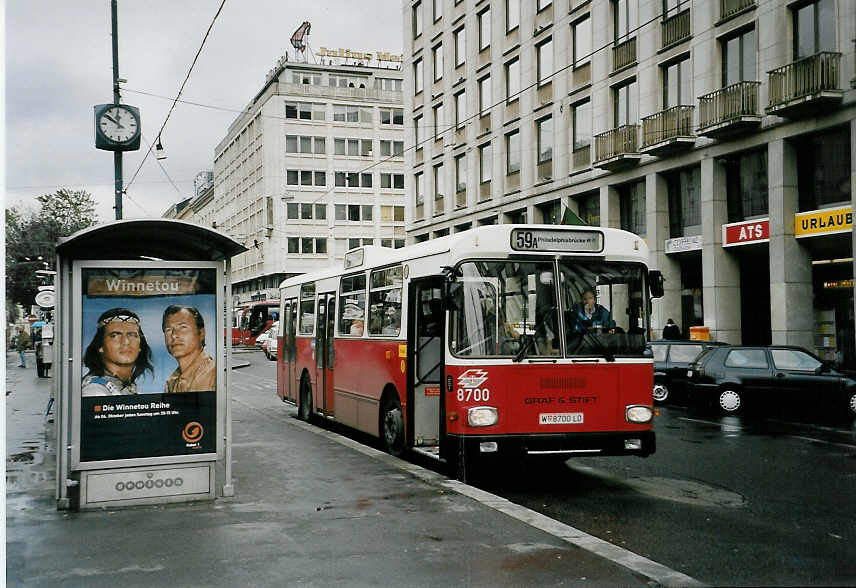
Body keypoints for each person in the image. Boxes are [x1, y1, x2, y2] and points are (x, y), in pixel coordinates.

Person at [82, 308, 153, 396]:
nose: (126, 342)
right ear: (101, 346)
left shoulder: (130, 389)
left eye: (132, 335)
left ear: (140, 347)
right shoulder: (94, 391)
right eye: (114, 335)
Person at [162, 305, 216, 393]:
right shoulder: (171, 382)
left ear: (201, 333)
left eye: (183, 327)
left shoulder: (213, 374)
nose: (174, 335)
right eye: (168, 330)